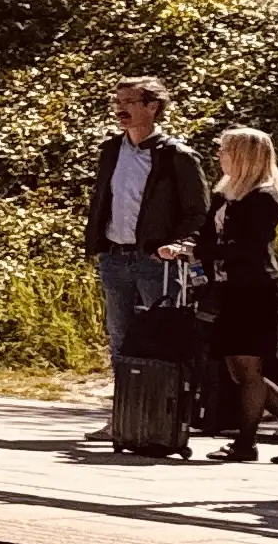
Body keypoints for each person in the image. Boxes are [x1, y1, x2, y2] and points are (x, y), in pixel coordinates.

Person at [81, 77, 208, 382]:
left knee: (161, 338)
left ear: (153, 107)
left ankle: (163, 418)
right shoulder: (111, 150)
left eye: (129, 102)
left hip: (156, 262)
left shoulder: (177, 156)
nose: (120, 109)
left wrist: (177, 245)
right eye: (117, 102)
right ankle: (124, 416)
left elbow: (198, 213)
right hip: (114, 258)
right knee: (120, 337)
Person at [203, 125, 278, 465]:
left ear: (243, 156)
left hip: (255, 290)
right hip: (230, 288)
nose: (220, 156)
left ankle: (245, 442)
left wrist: (204, 253)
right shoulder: (225, 194)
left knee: (250, 368)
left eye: (226, 150)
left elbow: (246, 247)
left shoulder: (263, 198)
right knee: (240, 371)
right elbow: (209, 237)